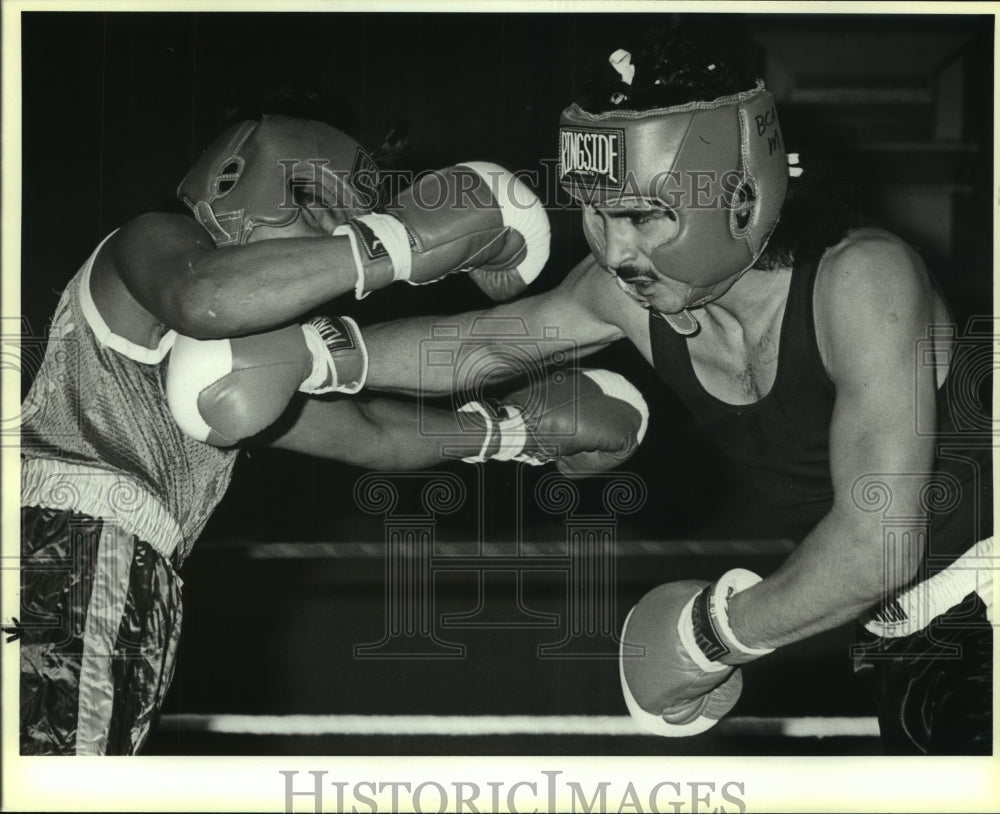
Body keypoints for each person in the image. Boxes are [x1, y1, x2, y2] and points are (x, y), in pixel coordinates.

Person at [242, 32, 989, 754]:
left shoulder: (861, 280)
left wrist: (708, 636)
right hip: (910, 641)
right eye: (597, 212)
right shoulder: (629, 294)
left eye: (641, 215)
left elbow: (877, 549)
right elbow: (481, 343)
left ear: (739, 199)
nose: (616, 248)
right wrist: (315, 351)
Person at [20, 112, 644, 755]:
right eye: (315, 206)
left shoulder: (232, 374)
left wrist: (513, 434)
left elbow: (371, 432)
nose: (325, 238)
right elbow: (205, 296)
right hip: (58, 548)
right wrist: (395, 241)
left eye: (342, 223)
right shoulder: (153, 240)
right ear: (242, 176)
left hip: (128, 579)